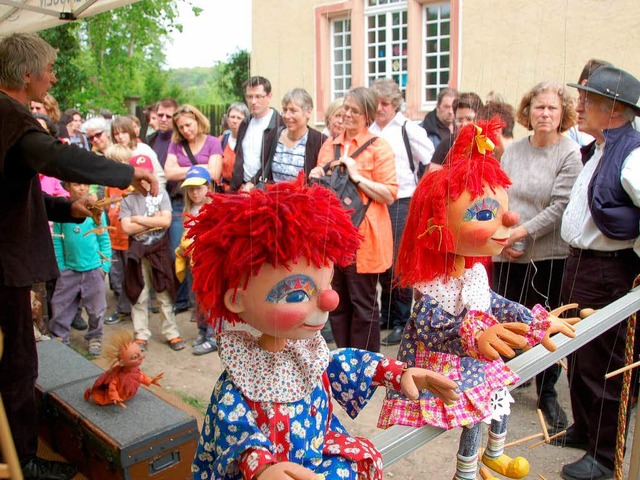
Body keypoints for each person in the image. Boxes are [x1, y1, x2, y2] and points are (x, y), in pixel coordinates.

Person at [188, 177, 459, 480]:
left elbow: (345, 364)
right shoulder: (240, 377)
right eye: (296, 294)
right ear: (237, 300)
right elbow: (235, 429)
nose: (330, 299)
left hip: (319, 460)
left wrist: (397, 372)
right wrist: (262, 467)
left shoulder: (308, 354)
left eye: (327, 283)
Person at [378, 119, 577, 480]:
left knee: (500, 390)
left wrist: (537, 321)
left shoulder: (473, 272)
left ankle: (494, 454)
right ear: (436, 223)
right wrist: (473, 335)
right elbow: (430, 328)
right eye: (486, 214)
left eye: (502, 208)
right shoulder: (432, 281)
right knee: (474, 410)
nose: (509, 219)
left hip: (473, 361)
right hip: (441, 367)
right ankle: (467, 470)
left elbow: (494, 303)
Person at [0, 32, 157, 480]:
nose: (52, 77)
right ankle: (23, 461)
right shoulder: (11, 116)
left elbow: (17, 192)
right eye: (48, 69)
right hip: (4, 268)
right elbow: (58, 159)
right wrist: (130, 172)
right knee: (17, 364)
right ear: (27, 73)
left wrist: (67, 208)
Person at [558, 66, 640, 480]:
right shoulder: (601, 147)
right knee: (578, 357)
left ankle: (605, 457)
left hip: (610, 272)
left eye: (587, 99)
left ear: (613, 109)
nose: (580, 105)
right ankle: (586, 431)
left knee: (603, 364)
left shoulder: (634, 154)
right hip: (583, 267)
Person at [492, 81, 582, 434]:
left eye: (552, 108)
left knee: (544, 321)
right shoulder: (513, 150)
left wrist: (521, 233)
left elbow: (561, 207)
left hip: (547, 253)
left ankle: (547, 392)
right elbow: (500, 194)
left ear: (563, 115)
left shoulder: (569, 153)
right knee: (507, 318)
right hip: (508, 251)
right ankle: (510, 378)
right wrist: (503, 236)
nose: (544, 114)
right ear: (527, 112)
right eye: (538, 107)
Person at [309, 86, 398, 352]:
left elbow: (390, 193)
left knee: (364, 303)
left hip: (364, 238)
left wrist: (357, 176)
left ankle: (366, 364)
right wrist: (316, 177)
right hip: (333, 235)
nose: (347, 114)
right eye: (345, 107)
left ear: (368, 116)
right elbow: (324, 191)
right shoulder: (330, 145)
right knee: (337, 301)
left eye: (354, 110)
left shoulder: (379, 147)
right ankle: (344, 358)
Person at [368, 78, 434, 346]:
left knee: (398, 264)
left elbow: (431, 161)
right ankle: (387, 314)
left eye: (385, 103)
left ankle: (402, 320)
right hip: (375, 200)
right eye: (377, 103)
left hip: (403, 200)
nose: (381, 108)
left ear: (395, 104)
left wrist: (423, 195)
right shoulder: (369, 129)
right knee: (382, 260)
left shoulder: (409, 129)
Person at [120, 154, 184, 352]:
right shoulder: (128, 199)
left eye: (147, 173)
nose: (144, 179)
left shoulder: (161, 194)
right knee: (139, 292)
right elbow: (126, 228)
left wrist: (138, 219)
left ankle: (171, 332)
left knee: (164, 292)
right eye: (139, 175)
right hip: (138, 251)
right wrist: (151, 219)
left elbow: (165, 222)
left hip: (159, 249)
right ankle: (141, 334)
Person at [49, 181, 111, 356]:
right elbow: (57, 241)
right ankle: (60, 338)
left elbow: (104, 239)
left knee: (97, 309)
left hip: (93, 269)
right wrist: (61, 267)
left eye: (85, 184)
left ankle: (95, 337)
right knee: (60, 305)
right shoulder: (62, 211)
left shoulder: (96, 210)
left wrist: (103, 266)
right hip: (69, 270)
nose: (82, 188)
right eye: (77, 184)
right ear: (67, 186)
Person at [174, 165, 216, 355]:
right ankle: (202, 331)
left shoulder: (212, 208)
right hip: (194, 263)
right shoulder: (190, 209)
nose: (194, 192)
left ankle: (213, 337)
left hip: (209, 264)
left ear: (208, 186)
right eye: (190, 188)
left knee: (210, 300)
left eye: (199, 187)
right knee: (197, 300)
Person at [230, 76, 284, 192]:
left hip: (267, 190)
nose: (253, 101)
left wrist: (254, 183)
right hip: (242, 189)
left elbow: (272, 161)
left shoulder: (279, 124)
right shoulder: (245, 123)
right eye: (249, 97)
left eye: (258, 96)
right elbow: (239, 158)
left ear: (269, 96)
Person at [102, 144, 134, 326]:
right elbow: (108, 210)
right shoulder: (109, 187)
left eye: (120, 163)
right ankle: (123, 309)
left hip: (129, 240)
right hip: (113, 240)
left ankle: (131, 308)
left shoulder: (130, 188)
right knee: (116, 278)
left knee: (131, 277)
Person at [269, 88, 327, 183]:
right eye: (284, 110)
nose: (287, 116)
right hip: (273, 196)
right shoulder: (272, 136)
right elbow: (264, 172)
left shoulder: (320, 141)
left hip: (303, 197)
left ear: (308, 112)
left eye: (293, 111)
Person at [164, 104, 223, 186]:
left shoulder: (213, 142)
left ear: (198, 121)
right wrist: (204, 167)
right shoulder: (175, 144)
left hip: (205, 194)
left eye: (188, 125)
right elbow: (169, 174)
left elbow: (215, 173)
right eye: (181, 127)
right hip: (180, 195)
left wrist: (179, 170)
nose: (185, 130)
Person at [111, 115, 166, 190]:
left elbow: (160, 176)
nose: (120, 136)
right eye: (116, 134)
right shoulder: (112, 154)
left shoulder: (143, 149)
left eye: (124, 132)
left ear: (130, 132)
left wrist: (158, 194)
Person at [430, 91, 484, 165]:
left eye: (469, 119)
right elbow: (433, 173)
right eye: (459, 120)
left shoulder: (488, 145)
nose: (464, 124)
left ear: (480, 119)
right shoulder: (446, 145)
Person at [218, 102, 249, 191]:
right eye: (232, 117)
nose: (235, 121)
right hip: (224, 191)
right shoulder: (221, 140)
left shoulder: (249, 142)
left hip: (243, 191)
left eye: (239, 118)